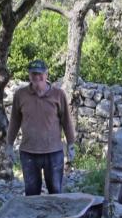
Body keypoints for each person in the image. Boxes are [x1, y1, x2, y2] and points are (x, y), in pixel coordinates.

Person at [6, 59, 76, 196]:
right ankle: (34, 217)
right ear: (29, 76)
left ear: (46, 75)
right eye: (33, 74)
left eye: (40, 74)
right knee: (31, 193)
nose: (37, 77)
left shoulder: (58, 95)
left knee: (55, 192)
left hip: (54, 152)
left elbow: (67, 121)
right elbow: (14, 121)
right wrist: (9, 144)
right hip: (29, 152)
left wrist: (71, 144)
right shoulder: (20, 95)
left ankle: (55, 217)